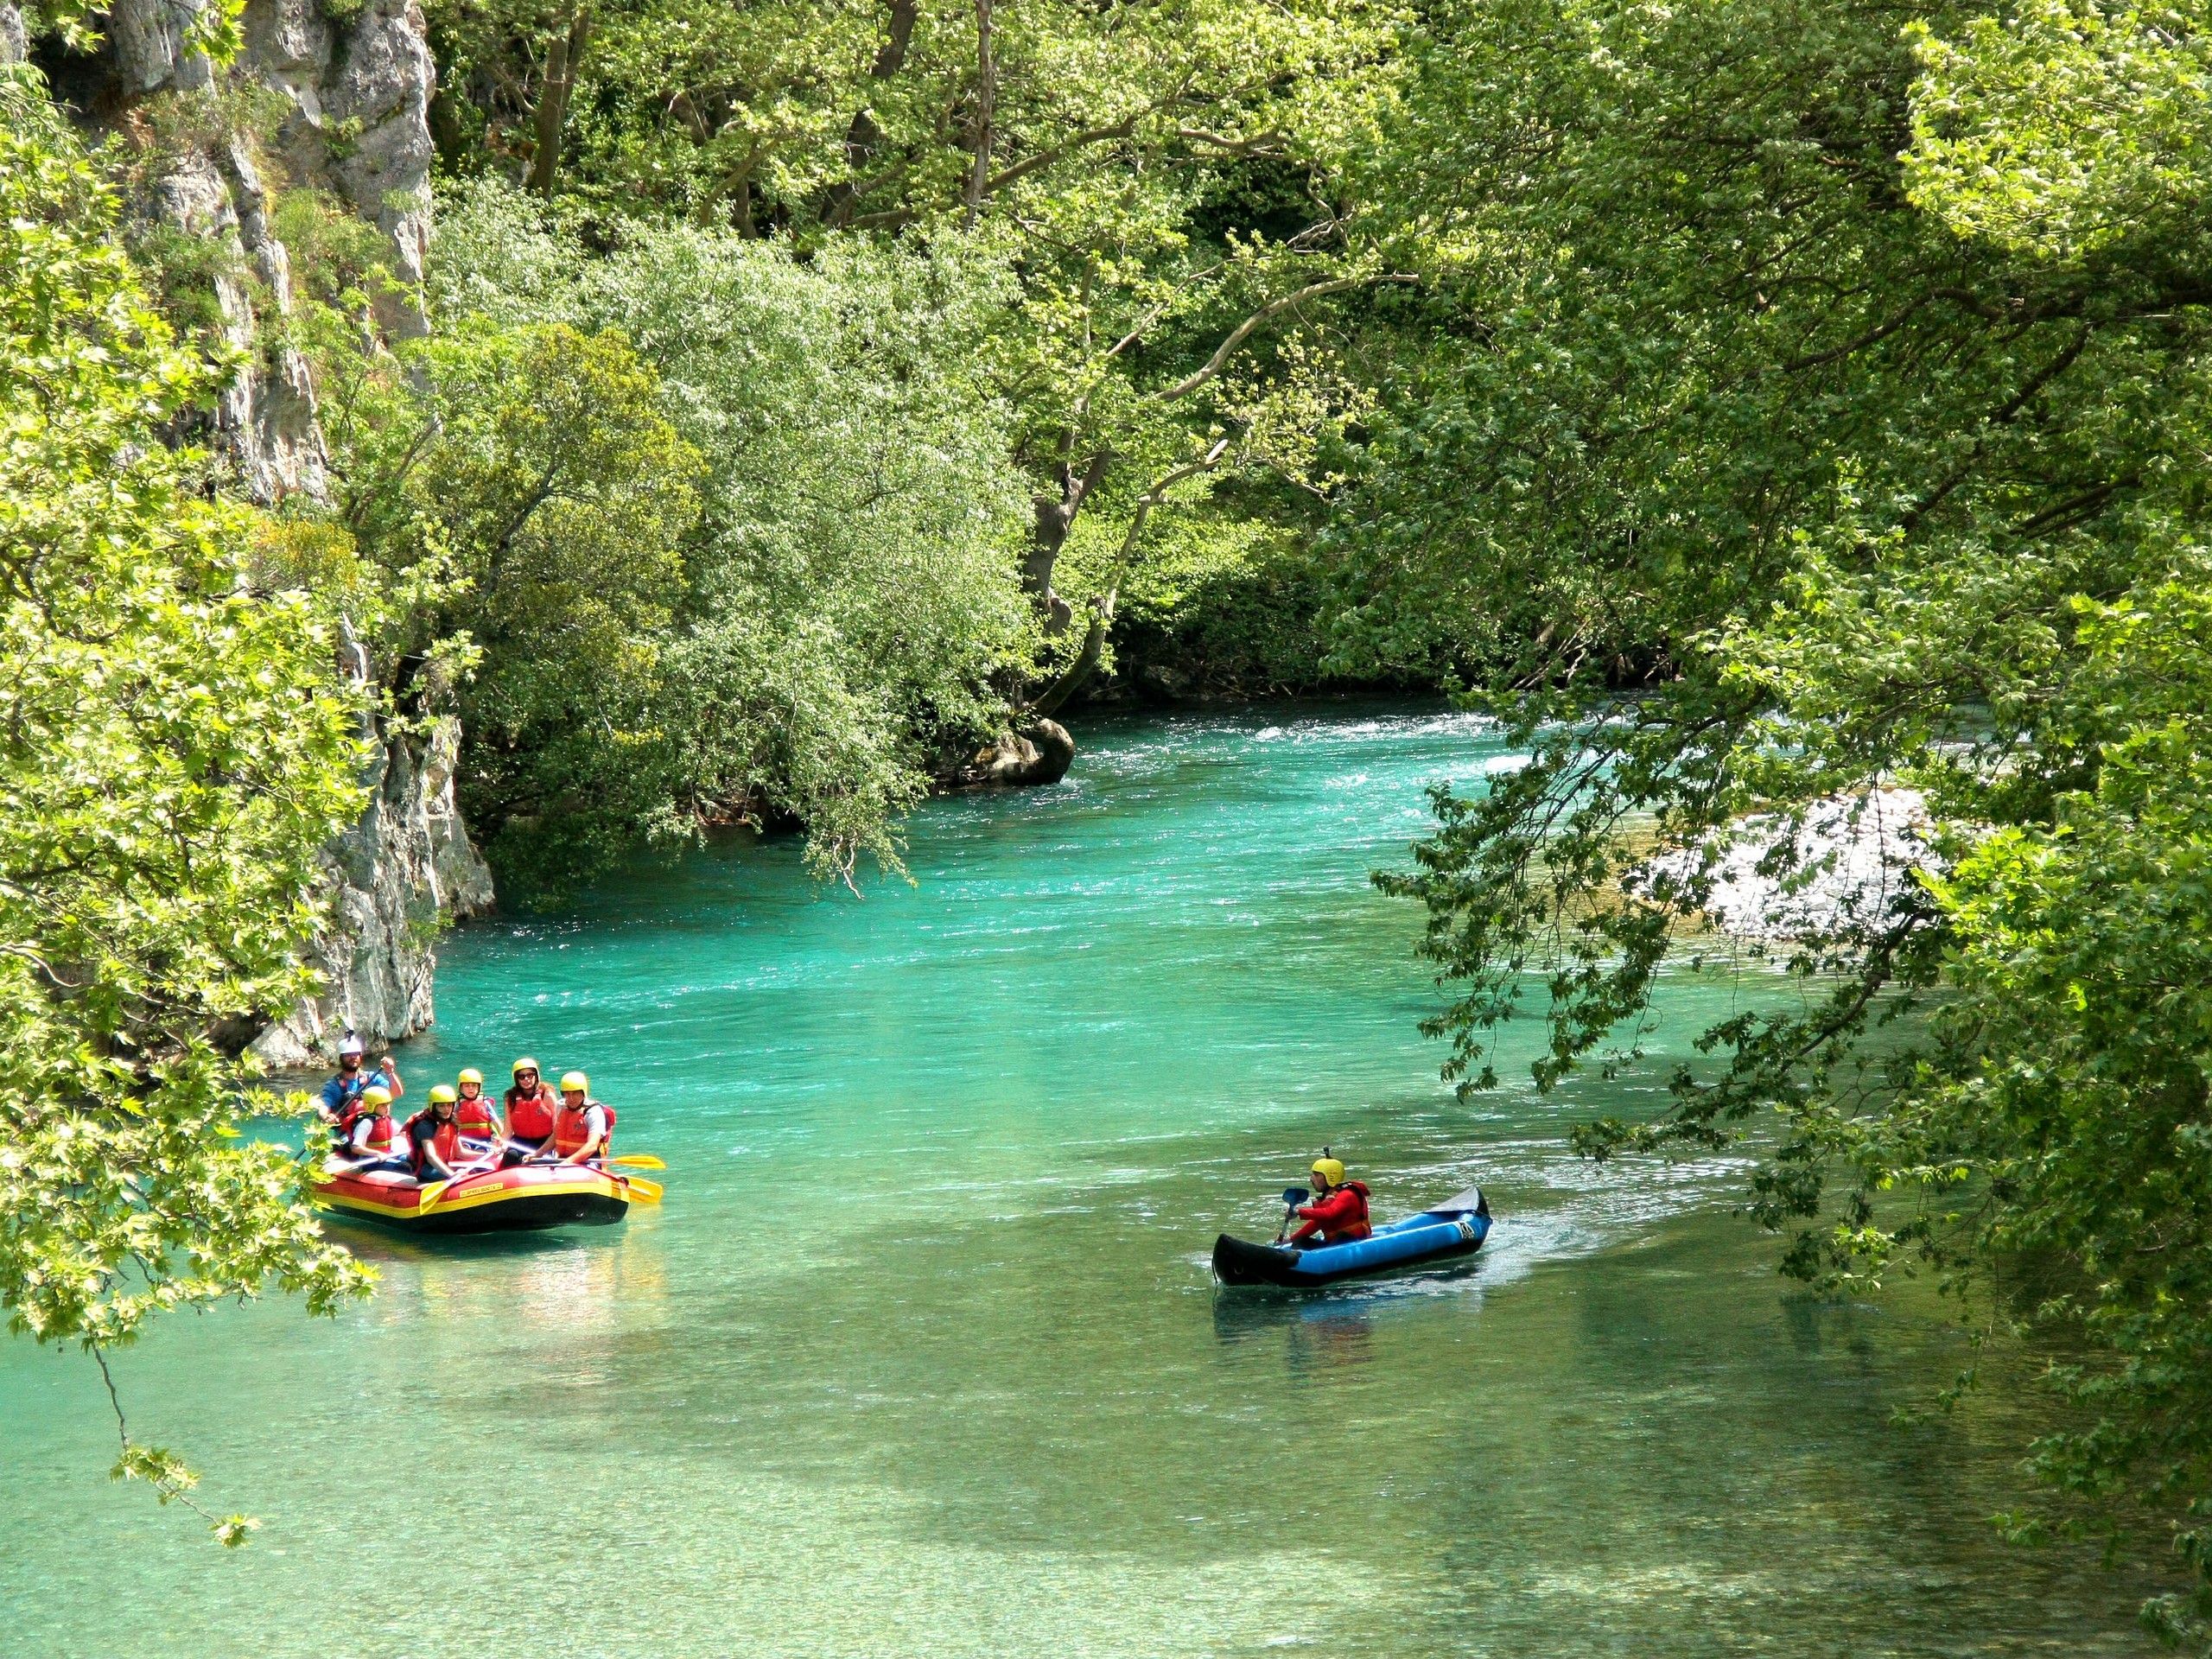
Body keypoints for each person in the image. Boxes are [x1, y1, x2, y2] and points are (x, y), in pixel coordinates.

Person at [317, 1033, 402, 1153]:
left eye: (355, 1054)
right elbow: (324, 1105)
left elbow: (396, 1093)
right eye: (348, 1055)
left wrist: (390, 1072)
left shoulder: (372, 1078)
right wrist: (326, 1116)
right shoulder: (334, 1085)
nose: (353, 1058)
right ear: (341, 1058)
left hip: (375, 1127)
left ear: (360, 1056)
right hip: (348, 1133)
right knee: (347, 1146)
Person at [1285, 1154, 1370, 1249]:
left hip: (1355, 1242)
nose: (1311, 1179)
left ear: (1330, 1177)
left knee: (1342, 1236)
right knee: (1300, 1241)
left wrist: (1298, 1212)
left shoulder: (1347, 1195)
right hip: (1333, 1244)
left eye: (1316, 1175)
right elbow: (1316, 1224)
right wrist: (1289, 1241)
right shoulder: (1328, 1197)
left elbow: (1330, 1213)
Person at [403, 1086, 470, 1185]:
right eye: (441, 1106)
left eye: (449, 1105)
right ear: (433, 1106)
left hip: (444, 1164)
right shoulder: (425, 1125)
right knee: (451, 1176)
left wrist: (492, 1153)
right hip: (426, 1169)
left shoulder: (452, 1121)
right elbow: (431, 1157)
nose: (446, 1109)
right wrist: (452, 1174)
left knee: (477, 1170)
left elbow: (460, 1152)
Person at [336, 1084, 409, 1174]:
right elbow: (355, 1148)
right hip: (371, 1161)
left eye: (388, 1104)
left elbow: (403, 1133)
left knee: (412, 1159)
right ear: (371, 1106)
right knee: (405, 1167)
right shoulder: (366, 1123)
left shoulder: (386, 1119)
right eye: (383, 1105)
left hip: (387, 1155)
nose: (388, 1108)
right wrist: (377, 1154)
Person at [549, 1071, 615, 1166]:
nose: (571, 1098)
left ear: (583, 1093)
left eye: (575, 1093)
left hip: (588, 1161)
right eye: (567, 1094)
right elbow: (556, 1135)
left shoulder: (593, 1112)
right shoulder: (561, 1106)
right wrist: (538, 1153)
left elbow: (592, 1145)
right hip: (563, 1160)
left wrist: (568, 1161)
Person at [503, 1057, 558, 1165]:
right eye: (522, 1077)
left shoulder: (547, 1095)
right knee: (510, 1156)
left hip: (544, 1142)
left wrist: (552, 1148)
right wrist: (502, 1144)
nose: (526, 1079)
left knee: (539, 1163)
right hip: (520, 1142)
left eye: (530, 1075)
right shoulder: (510, 1098)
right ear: (516, 1079)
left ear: (536, 1076)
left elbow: (557, 1128)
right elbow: (508, 1130)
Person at [453, 1067, 503, 1153]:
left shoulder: (485, 1103)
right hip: (464, 1140)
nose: (471, 1088)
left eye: (474, 1085)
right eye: (467, 1085)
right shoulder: (457, 1104)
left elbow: (496, 1121)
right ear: (461, 1088)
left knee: (481, 1150)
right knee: (465, 1149)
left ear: (479, 1087)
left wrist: (502, 1137)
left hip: (484, 1140)